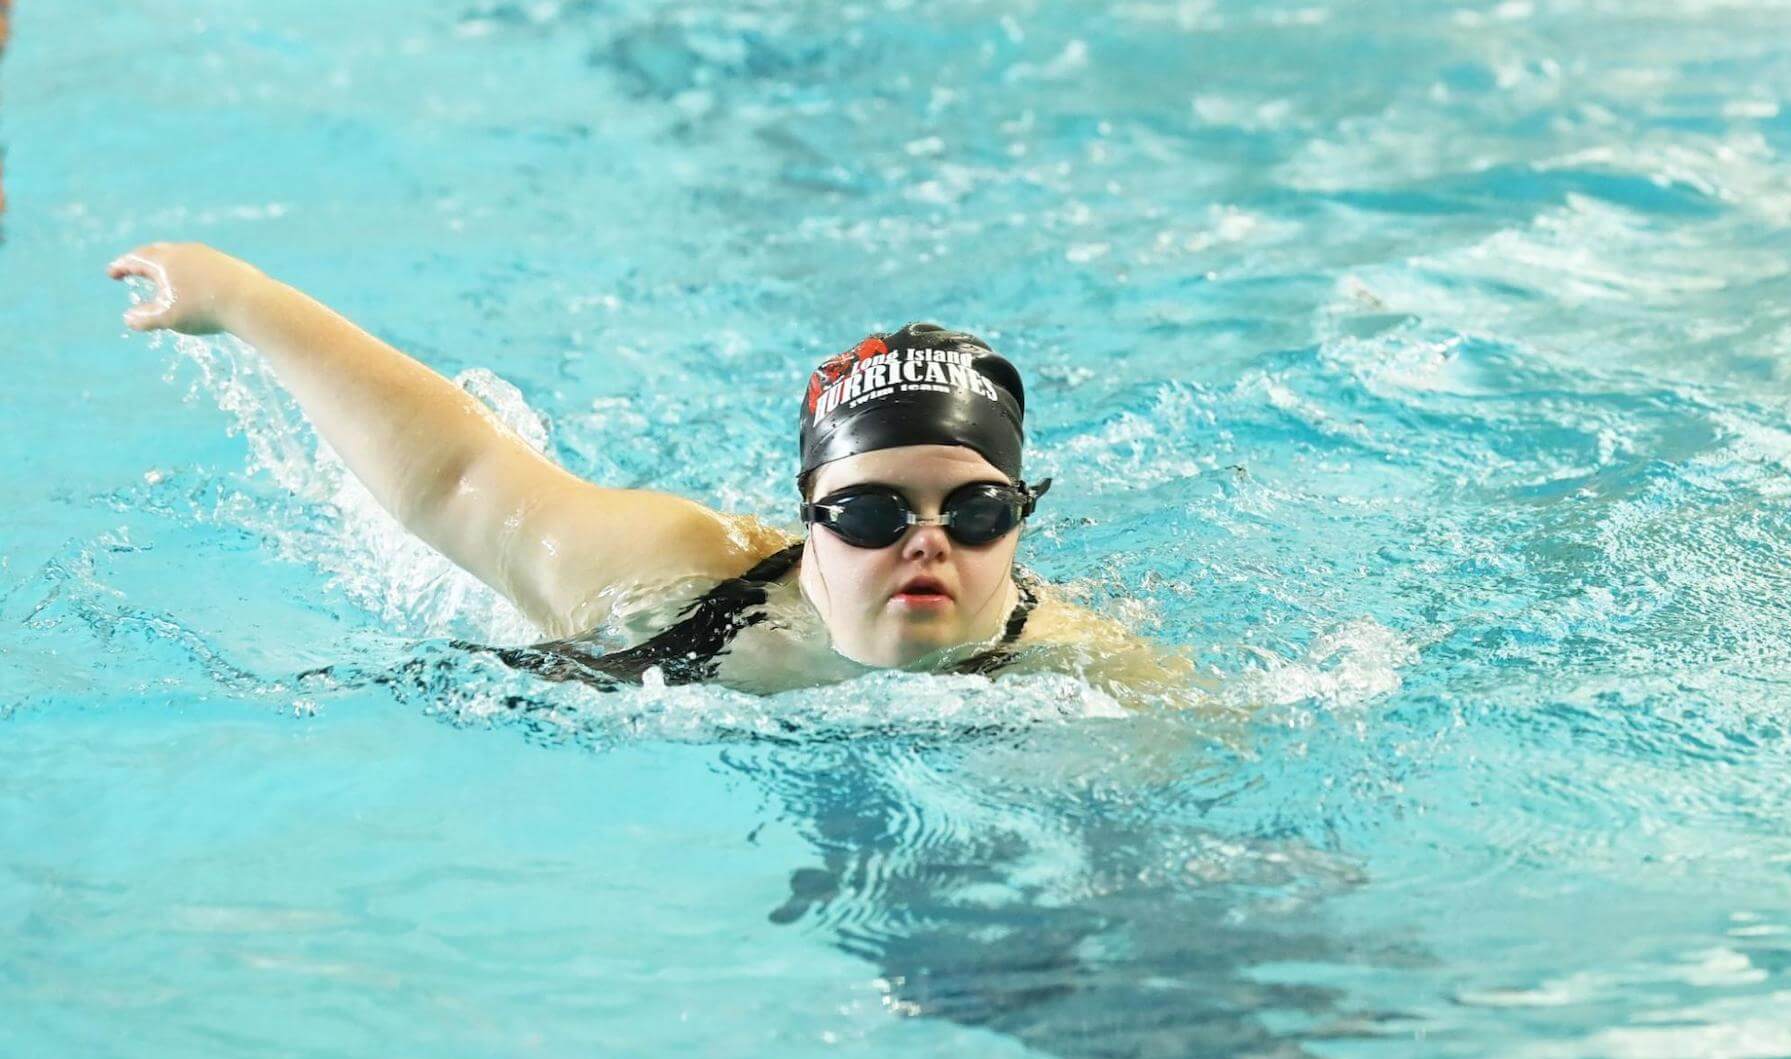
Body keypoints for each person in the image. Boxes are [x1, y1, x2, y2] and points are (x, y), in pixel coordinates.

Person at [108, 242, 1195, 698]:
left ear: (1023, 518)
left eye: (976, 510)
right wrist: (239, 297)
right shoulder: (678, 583)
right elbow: (456, 479)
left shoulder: (1086, 676)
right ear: (809, 517)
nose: (927, 541)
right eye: (870, 510)